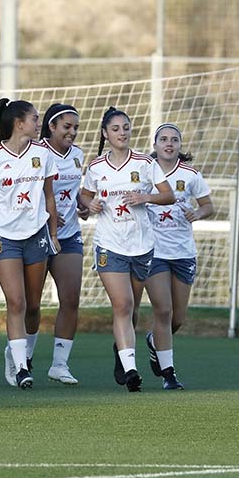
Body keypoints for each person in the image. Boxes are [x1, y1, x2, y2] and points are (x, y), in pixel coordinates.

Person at [78, 107, 174, 393]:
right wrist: (89, 204)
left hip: (142, 246)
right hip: (109, 244)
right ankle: (131, 371)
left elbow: (168, 194)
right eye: (116, 129)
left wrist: (145, 196)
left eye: (126, 128)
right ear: (105, 134)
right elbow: (84, 196)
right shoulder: (96, 167)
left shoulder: (144, 163)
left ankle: (122, 352)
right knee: (122, 304)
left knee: (131, 309)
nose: (122, 133)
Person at [0, 98, 59, 390]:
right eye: (35, 118)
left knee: (33, 306)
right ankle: (22, 367)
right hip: (4, 238)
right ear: (19, 123)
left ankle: (22, 353)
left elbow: (50, 197)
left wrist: (54, 234)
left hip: (36, 235)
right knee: (16, 301)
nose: (39, 123)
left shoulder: (43, 155)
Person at [142, 123, 214, 390]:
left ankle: (154, 341)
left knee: (177, 318)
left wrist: (198, 213)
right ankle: (169, 374)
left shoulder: (191, 175)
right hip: (154, 251)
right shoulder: (144, 172)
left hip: (183, 253)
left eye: (174, 139)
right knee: (163, 310)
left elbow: (208, 206)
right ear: (155, 145)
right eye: (163, 139)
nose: (169, 143)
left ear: (180, 146)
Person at [38, 103, 85, 385]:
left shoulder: (78, 155)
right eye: (67, 126)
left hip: (69, 236)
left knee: (70, 299)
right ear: (51, 126)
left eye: (76, 128)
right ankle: (22, 358)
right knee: (31, 304)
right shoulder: (37, 154)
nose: (72, 132)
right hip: (37, 236)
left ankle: (59, 364)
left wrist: (86, 204)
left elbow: (76, 193)